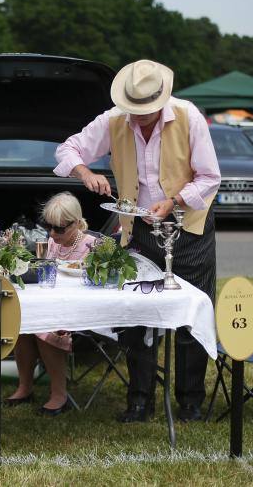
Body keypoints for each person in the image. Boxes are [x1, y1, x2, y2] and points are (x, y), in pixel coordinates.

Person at [54, 59, 221, 423]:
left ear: (162, 100)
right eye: (135, 111)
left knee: (191, 312)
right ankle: (139, 399)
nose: (140, 117)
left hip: (186, 225)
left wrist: (174, 201)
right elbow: (68, 149)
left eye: (146, 111)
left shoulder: (189, 116)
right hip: (138, 229)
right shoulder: (113, 120)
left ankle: (191, 400)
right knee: (135, 312)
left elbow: (210, 177)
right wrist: (84, 171)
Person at [5, 192, 97, 416]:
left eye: (59, 229)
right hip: (53, 306)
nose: (53, 233)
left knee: (44, 326)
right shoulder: (52, 243)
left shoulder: (92, 245)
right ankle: (25, 387)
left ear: (76, 223)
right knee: (22, 324)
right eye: (49, 227)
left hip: (83, 313)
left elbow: (97, 286)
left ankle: (59, 395)